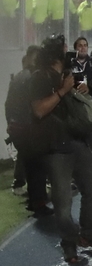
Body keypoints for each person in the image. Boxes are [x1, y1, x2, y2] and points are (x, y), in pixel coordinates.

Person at [30, 35, 92, 264]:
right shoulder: (39, 78)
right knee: (63, 204)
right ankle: (69, 242)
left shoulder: (67, 74)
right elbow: (38, 110)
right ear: (55, 53)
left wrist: (78, 88)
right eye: (64, 49)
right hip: (55, 149)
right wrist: (63, 91)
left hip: (77, 142)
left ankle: (90, 234)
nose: (69, 53)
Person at [5, 45, 50, 216]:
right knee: (37, 166)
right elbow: (35, 106)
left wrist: (10, 122)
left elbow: (8, 104)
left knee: (29, 164)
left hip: (17, 127)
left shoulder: (18, 77)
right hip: (28, 127)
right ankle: (38, 203)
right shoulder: (34, 77)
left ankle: (34, 200)